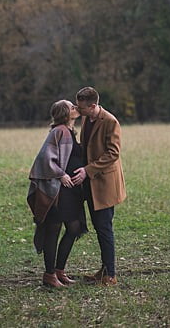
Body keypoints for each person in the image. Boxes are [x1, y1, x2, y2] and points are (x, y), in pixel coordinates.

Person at [27, 100, 88, 288]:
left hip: (72, 191)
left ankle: (59, 271)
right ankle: (49, 274)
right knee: (53, 229)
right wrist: (60, 174)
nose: (75, 108)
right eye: (71, 107)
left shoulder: (69, 131)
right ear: (64, 113)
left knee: (74, 228)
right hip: (59, 191)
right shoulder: (59, 131)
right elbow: (45, 158)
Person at [71, 86, 126, 286]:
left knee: (104, 228)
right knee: (98, 226)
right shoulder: (87, 118)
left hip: (104, 184)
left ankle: (110, 275)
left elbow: (113, 153)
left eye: (81, 108)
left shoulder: (111, 122)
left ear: (93, 105)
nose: (78, 111)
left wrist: (88, 170)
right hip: (90, 184)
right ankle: (104, 269)